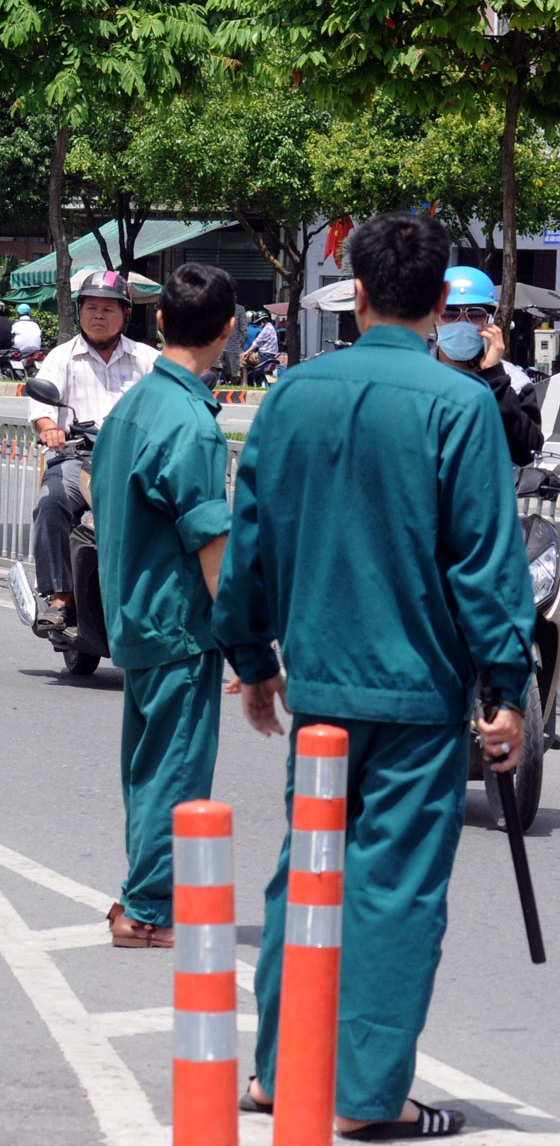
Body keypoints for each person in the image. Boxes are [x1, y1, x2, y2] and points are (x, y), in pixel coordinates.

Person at [216, 212, 531, 1141]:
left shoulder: (292, 395)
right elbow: (483, 562)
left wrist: (251, 660)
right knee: (394, 890)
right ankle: (365, 1092)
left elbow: (250, 542)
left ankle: (279, 1070)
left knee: (303, 875)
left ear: (355, 293)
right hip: (417, 695)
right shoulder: (460, 405)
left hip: (317, 688)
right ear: (443, 302)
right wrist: (507, 690)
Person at [90, 263, 238, 948]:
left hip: (137, 612)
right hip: (179, 622)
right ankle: (149, 909)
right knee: (175, 769)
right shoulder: (192, 423)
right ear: (230, 331)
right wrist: (246, 642)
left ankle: (137, 896)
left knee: (148, 769)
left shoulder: (135, 405)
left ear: (156, 322)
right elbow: (211, 542)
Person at [29, 272, 158, 633]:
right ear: (80, 312)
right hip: (78, 458)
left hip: (135, 461)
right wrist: (50, 429)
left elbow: (169, 401)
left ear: (126, 314)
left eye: (107, 308)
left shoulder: (147, 359)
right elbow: (40, 408)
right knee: (52, 500)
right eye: (91, 308)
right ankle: (59, 597)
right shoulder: (62, 357)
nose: (98, 315)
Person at [435, 265, 542, 466]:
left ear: (490, 320)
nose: (462, 322)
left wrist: (495, 379)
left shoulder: (515, 383)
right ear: (434, 318)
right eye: (450, 313)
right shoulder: (415, 376)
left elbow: (528, 452)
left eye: (475, 313)